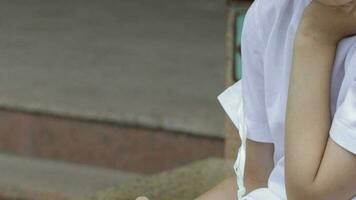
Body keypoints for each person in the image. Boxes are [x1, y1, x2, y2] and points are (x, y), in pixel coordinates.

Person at [138, 0, 356, 199]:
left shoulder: (309, 27)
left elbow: (310, 198)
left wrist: (315, 36)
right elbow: (255, 181)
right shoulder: (270, 13)